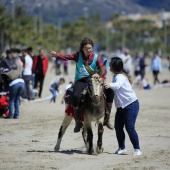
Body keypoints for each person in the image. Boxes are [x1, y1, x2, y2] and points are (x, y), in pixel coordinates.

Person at [51, 37, 114, 133]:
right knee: (76, 96)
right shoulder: (77, 55)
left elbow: (103, 69)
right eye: (87, 48)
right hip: (81, 81)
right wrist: (56, 55)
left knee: (110, 91)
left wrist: (100, 74)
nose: (89, 50)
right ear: (82, 48)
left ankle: (107, 119)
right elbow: (67, 57)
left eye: (90, 48)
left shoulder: (96, 57)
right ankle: (78, 121)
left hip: (94, 80)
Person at [104, 57, 142, 156]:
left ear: (115, 66)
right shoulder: (116, 76)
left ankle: (137, 149)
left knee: (129, 127)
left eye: (111, 64)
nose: (110, 66)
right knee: (118, 127)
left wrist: (109, 84)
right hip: (121, 106)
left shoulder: (120, 77)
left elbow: (117, 85)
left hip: (131, 104)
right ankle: (122, 148)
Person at [2, 53, 24, 119]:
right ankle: (16, 115)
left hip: (14, 83)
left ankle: (10, 115)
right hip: (22, 82)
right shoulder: (17, 66)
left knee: (11, 100)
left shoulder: (6, 72)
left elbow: (6, 84)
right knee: (17, 99)